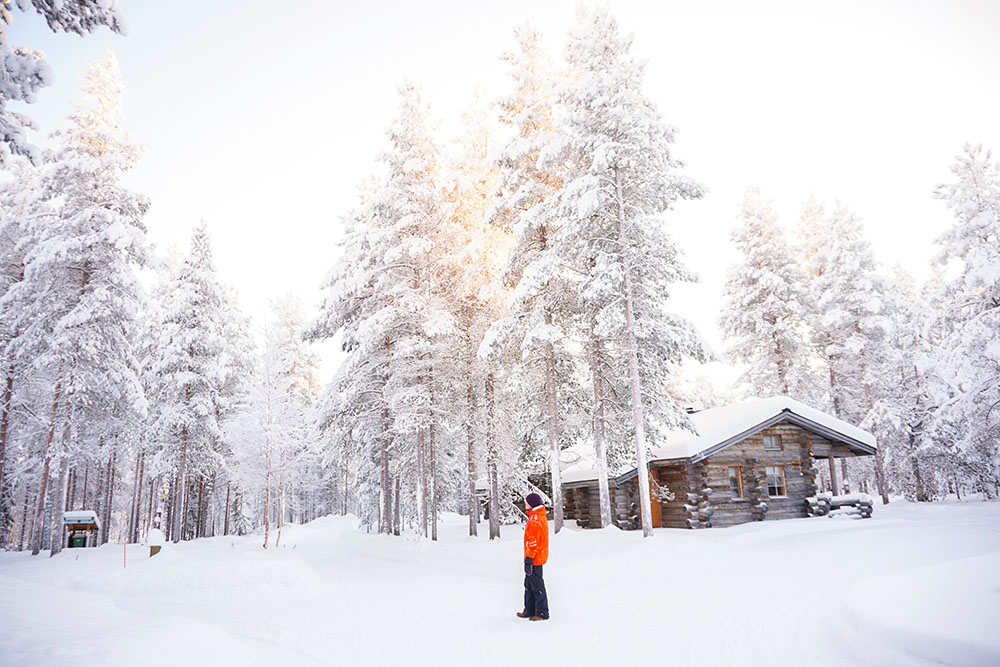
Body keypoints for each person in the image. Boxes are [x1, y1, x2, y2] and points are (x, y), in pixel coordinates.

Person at [517, 493, 549, 621]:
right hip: (536, 556)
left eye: (527, 502)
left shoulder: (535, 519)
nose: (525, 503)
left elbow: (533, 542)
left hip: (535, 557)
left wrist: (529, 560)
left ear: (532, 503)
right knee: (529, 584)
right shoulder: (537, 516)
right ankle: (529, 610)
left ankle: (542, 612)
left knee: (536, 585)